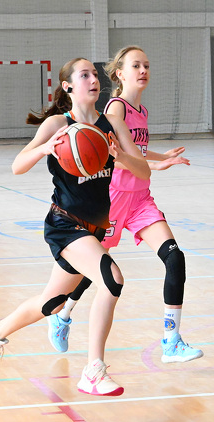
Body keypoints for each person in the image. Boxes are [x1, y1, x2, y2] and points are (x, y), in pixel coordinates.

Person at [0, 58, 149, 396]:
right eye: (84, 75)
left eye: (95, 74)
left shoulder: (113, 123)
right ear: (68, 86)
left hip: (95, 228)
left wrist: (121, 157)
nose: (93, 79)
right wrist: (43, 148)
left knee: (52, 303)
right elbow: (17, 166)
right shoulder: (57, 123)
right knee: (112, 280)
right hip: (65, 225)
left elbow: (144, 172)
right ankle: (93, 371)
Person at [46, 46, 204, 364]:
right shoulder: (115, 109)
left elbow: (135, 150)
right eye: (136, 66)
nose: (143, 70)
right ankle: (62, 315)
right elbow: (107, 154)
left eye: (146, 65)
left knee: (175, 258)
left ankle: (171, 341)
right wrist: (149, 163)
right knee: (93, 270)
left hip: (141, 199)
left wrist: (159, 158)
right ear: (120, 73)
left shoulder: (140, 111)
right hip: (113, 199)